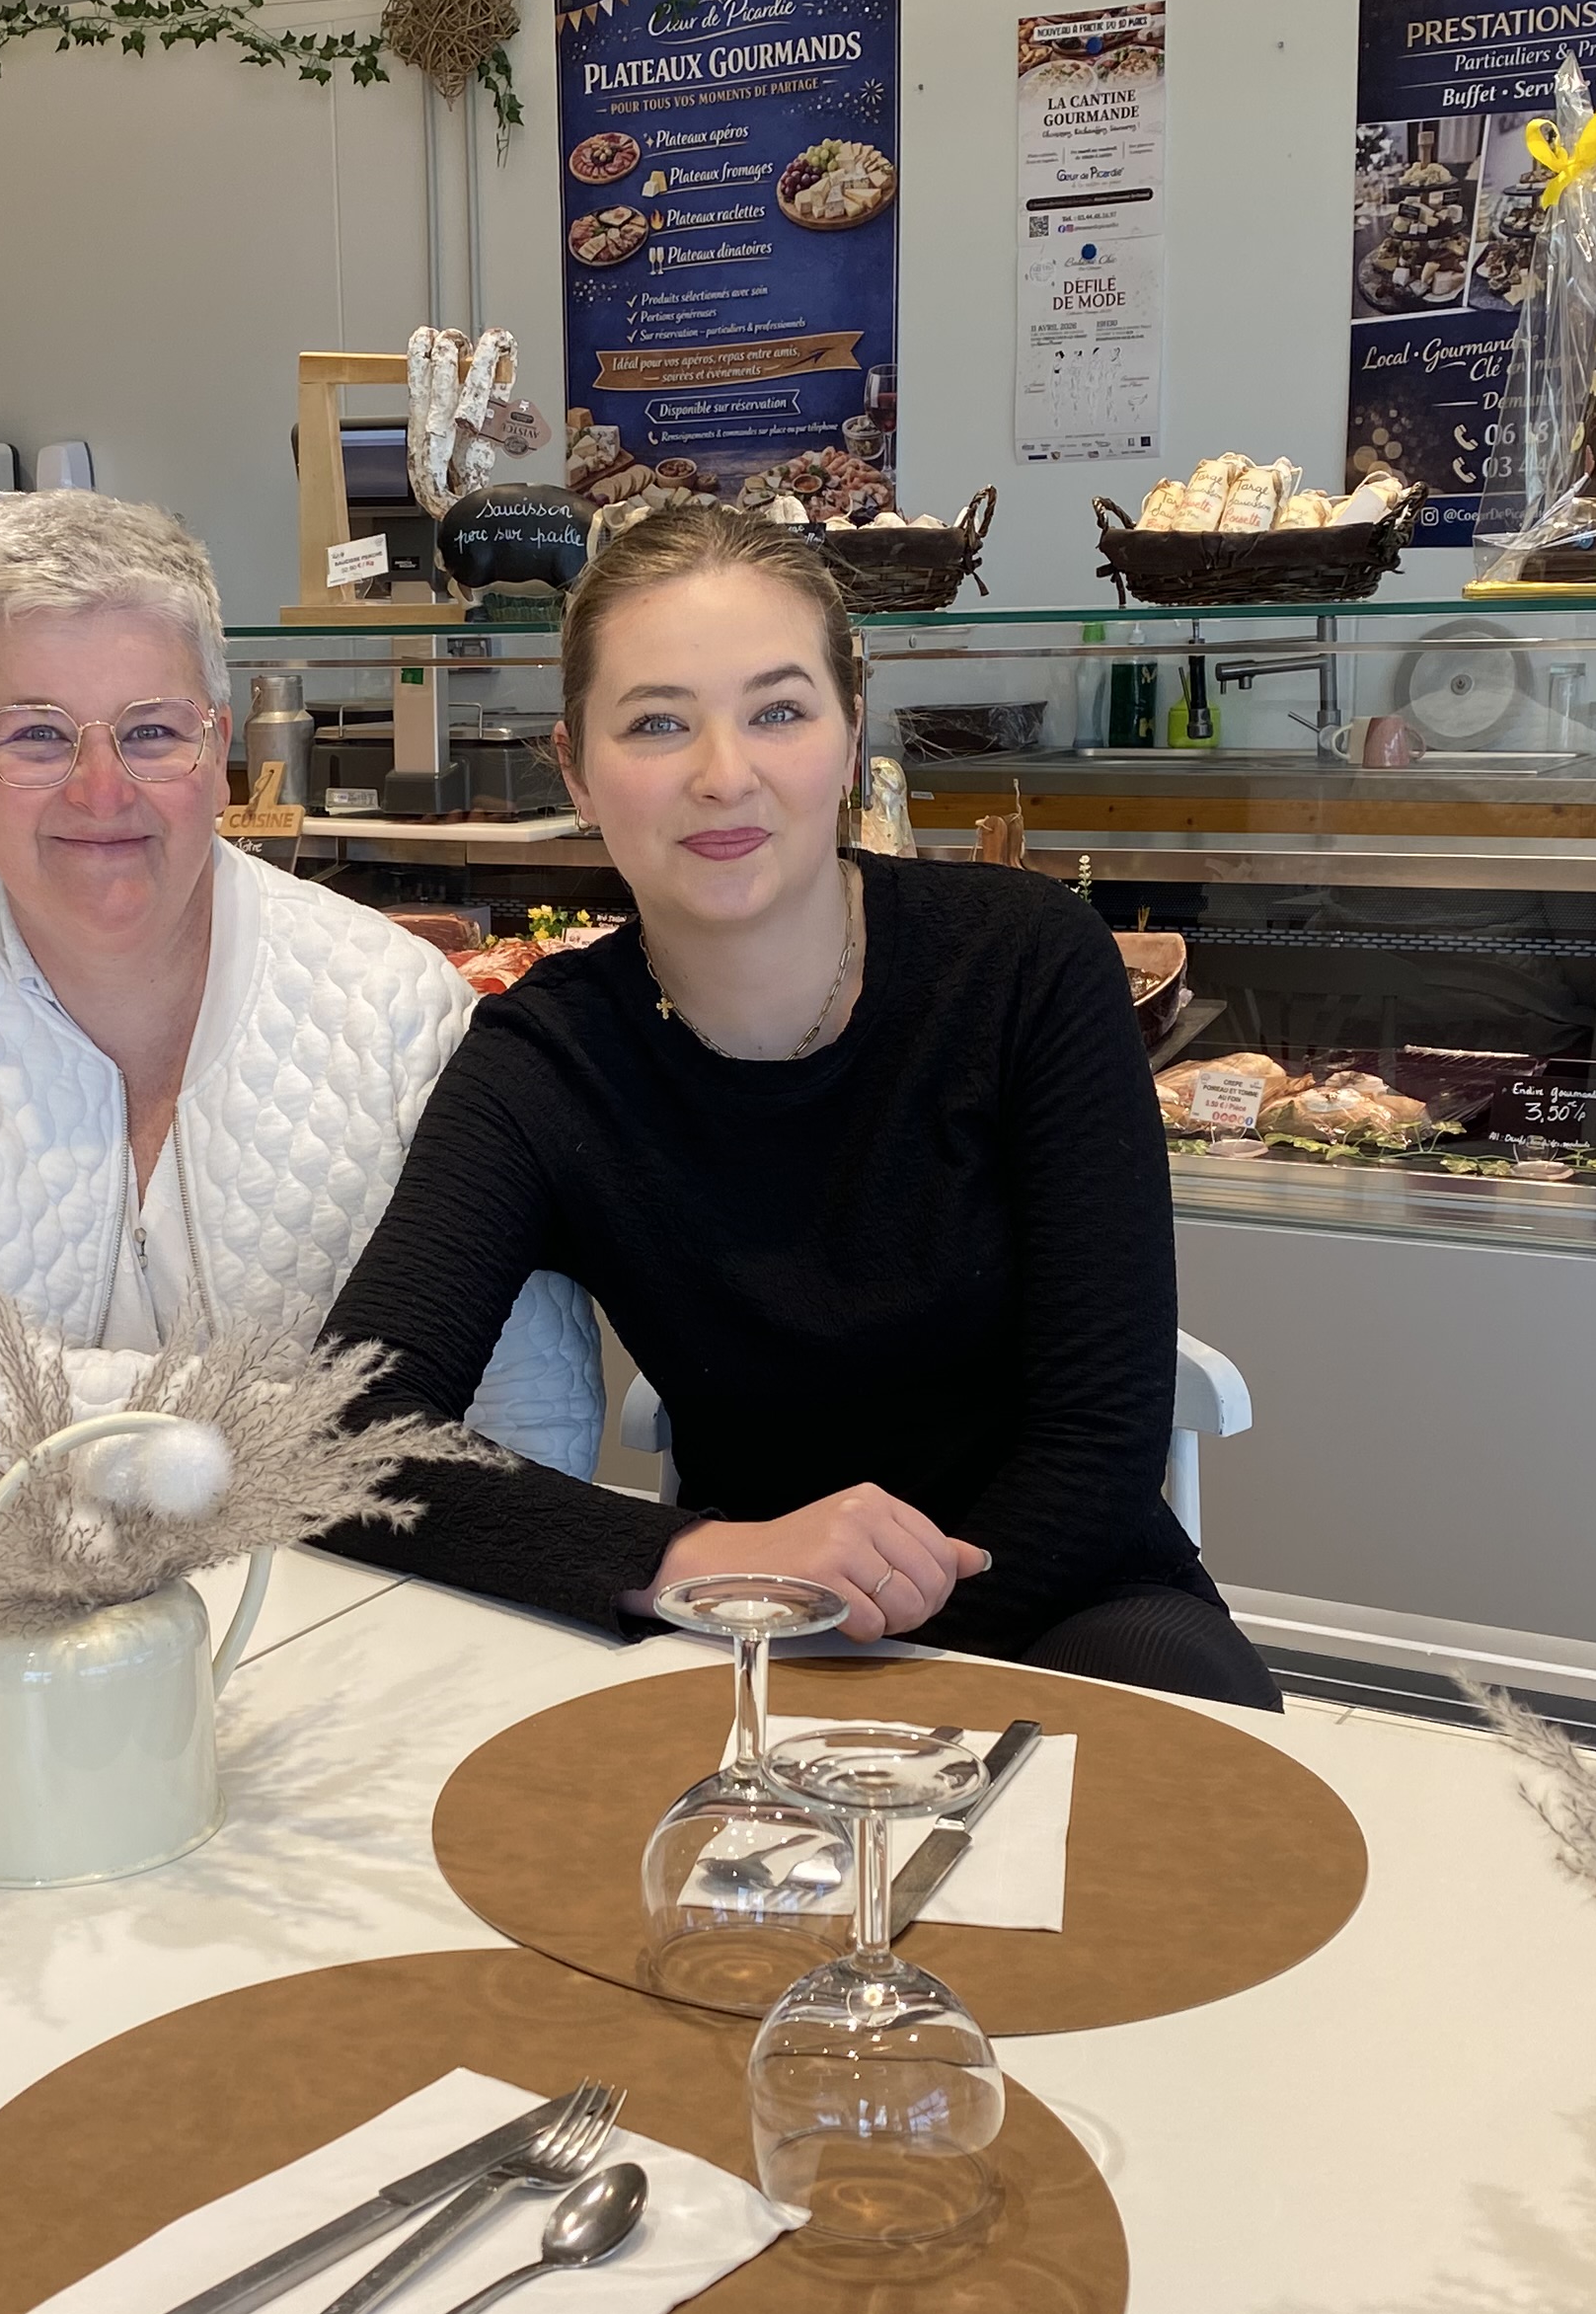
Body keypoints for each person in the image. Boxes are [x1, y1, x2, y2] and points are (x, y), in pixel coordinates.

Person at [323, 503, 1275, 1707]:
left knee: (1206, 1806)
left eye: (778, 711)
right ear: (573, 769)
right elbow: (348, 1431)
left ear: (850, 733)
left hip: (1071, 1589)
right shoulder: (546, 1054)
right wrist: (693, 1561)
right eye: (658, 723)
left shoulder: (1025, 964)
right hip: (753, 1607)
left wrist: (887, 1657)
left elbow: (1097, 1443)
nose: (726, 775)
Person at [0, 491, 596, 1465]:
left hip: (347, 1607)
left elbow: (528, 1427)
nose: (100, 791)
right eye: (35, 734)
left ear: (220, 745)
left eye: (150, 732)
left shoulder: (398, 1010)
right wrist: (299, 1432)